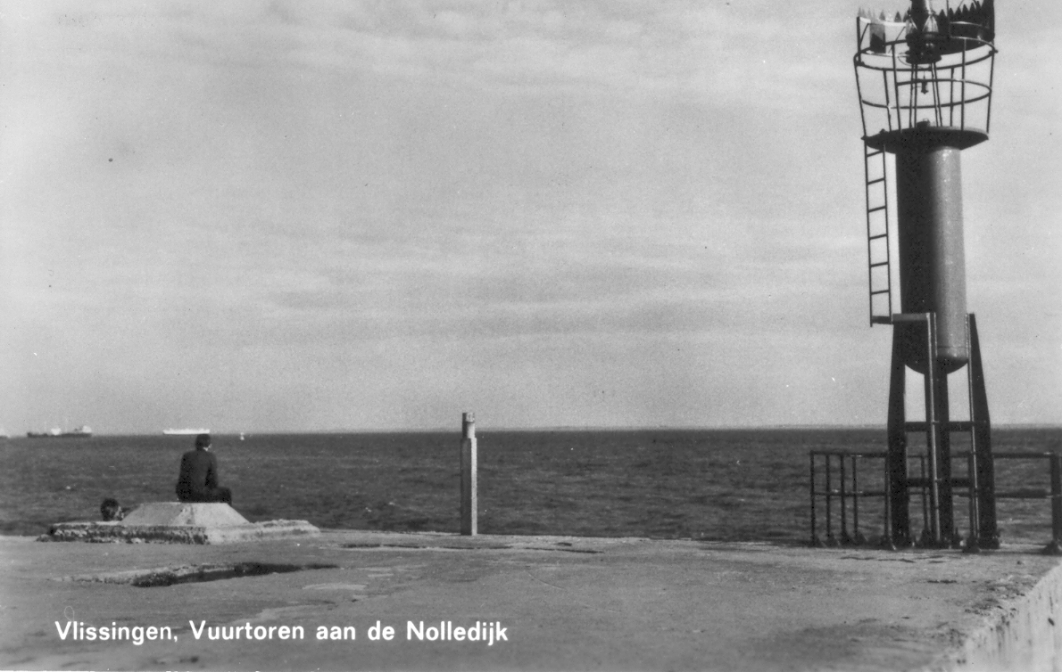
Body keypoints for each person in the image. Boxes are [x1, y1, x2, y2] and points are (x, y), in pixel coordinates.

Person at [175, 433, 233, 504]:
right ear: (209, 445)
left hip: (183, 494)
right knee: (227, 492)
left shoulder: (186, 455)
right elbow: (214, 481)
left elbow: (183, 477)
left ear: (196, 444)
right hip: (199, 495)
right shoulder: (210, 456)